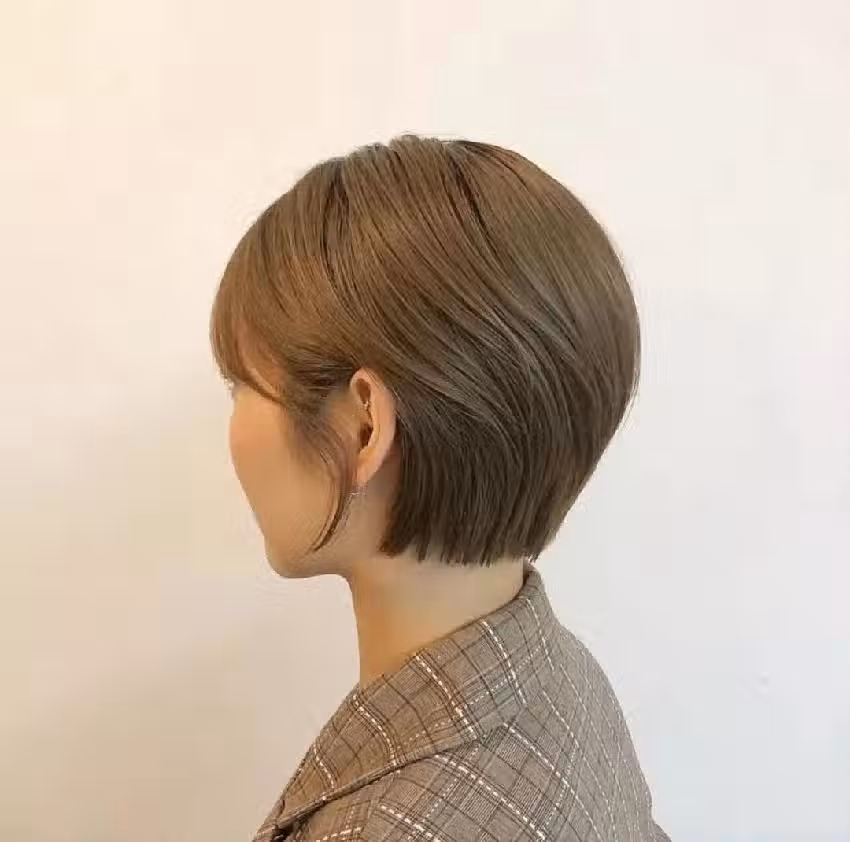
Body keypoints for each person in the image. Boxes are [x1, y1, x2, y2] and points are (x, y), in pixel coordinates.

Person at [210, 136, 668, 841]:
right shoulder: (563, 682)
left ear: (364, 428)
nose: (233, 429)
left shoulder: (388, 827)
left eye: (242, 386)